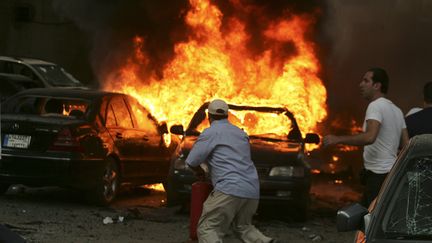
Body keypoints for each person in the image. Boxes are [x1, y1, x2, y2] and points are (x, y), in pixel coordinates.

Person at [185, 99, 275, 243]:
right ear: (227, 115)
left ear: (209, 117)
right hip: (251, 189)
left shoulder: (211, 132)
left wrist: (200, 173)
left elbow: (192, 161)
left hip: (229, 188)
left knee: (207, 228)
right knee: (244, 228)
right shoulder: (241, 134)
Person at [323, 67, 409, 207]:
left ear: (377, 85)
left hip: (377, 175)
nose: (360, 84)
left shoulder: (375, 106)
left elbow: (370, 137)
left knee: (369, 220)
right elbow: (406, 144)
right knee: (370, 217)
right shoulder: (397, 110)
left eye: (366, 81)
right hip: (391, 175)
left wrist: (337, 139)